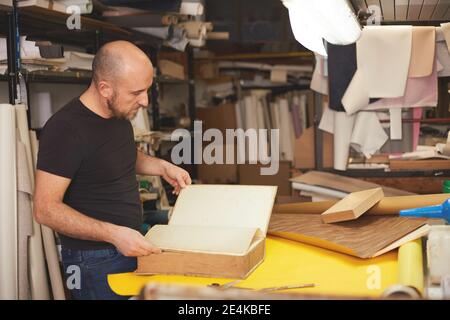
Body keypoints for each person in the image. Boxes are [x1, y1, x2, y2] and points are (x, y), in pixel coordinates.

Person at [33, 40, 192, 300]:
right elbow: (45, 209)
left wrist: (161, 166)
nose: (144, 101)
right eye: (136, 92)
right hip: (95, 261)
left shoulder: (118, 115)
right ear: (105, 88)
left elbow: (117, 155)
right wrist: (115, 234)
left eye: (148, 90)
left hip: (128, 245)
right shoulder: (65, 129)